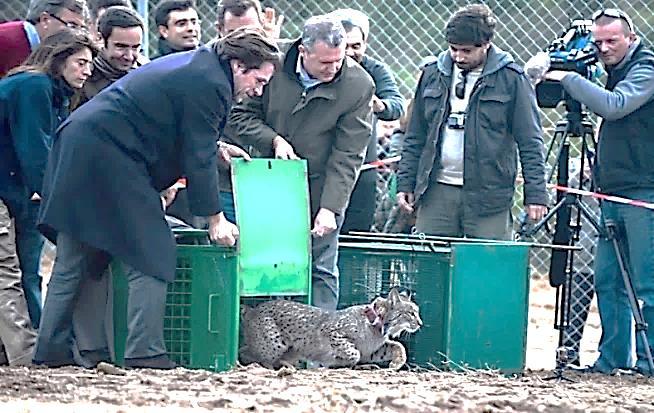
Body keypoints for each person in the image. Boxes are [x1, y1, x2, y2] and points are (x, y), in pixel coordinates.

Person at [33, 28, 281, 369]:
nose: (258, 90)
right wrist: (215, 218)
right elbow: (197, 153)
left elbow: (176, 127)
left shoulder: (201, 68)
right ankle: (144, 353)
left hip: (84, 147)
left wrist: (217, 148)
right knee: (152, 251)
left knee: (78, 255)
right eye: (259, 80)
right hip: (108, 155)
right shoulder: (212, 83)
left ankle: (53, 353)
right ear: (238, 65)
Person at [229, 15, 374, 310]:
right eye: (324, 63)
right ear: (303, 51)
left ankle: (321, 351)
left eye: (339, 60)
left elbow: (348, 154)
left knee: (321, 268)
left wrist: (330, 209)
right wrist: (273, 140)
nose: (333, 69)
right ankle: (258, 343)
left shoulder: (358, 86)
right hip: (267, 182)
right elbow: (239, 115)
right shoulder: (271, 64)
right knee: (261, 266)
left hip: (320, 186)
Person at [545, 9, 654, 375]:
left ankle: (649, 363)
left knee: (647, 283)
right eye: (598, 42)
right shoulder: (610, 70)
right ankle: (611, 361)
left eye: (612, 41)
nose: (603, 48)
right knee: (608, 281)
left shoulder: (646, 67)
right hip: (611, 190)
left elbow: (615, 106)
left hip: (644, 193)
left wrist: (567, 78)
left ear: (631, 37)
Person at [397, 4, 547, 240]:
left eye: (466, 51)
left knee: (487, 268)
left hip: (488, 197)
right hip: (437, 190)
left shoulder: (511, 79)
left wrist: (536, 193)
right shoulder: (432, 74)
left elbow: (530, 141)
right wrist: (405, 182)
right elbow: (415, 134)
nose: (458, 56)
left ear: (486, 44)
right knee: (432, 268)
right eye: (453, 49)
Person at [0, 30, 96, 363]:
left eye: (90, 65)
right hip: (14, 189)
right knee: (7, 270)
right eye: (80, 62)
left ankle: (36, 346)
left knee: (26, 268)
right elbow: (35, 151)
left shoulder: (54, 93)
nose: (87, 71)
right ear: (59, 58)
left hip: (16, 191)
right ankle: (26, 354)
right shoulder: (35, 86)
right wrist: (58, 202)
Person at [330, 8, 405, 234]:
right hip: (324, 164)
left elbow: (396, 106)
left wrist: (379, 105)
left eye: (357, 46)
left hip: (362, 166)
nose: (351, 53)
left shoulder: (374, 70)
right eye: (345, 46)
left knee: (356, 234)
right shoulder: (321, 67)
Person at [75, 5, 144, 106]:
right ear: (100, 39)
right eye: (121, 46)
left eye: (135, 48)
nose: (129, 56)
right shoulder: (82, 78)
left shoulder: (145, 74)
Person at [0, 0, 88, 77]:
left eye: (82, 28)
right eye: (72, 26)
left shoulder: (57, 50)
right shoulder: (4, 40)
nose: (77, 34)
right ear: (45, 20)